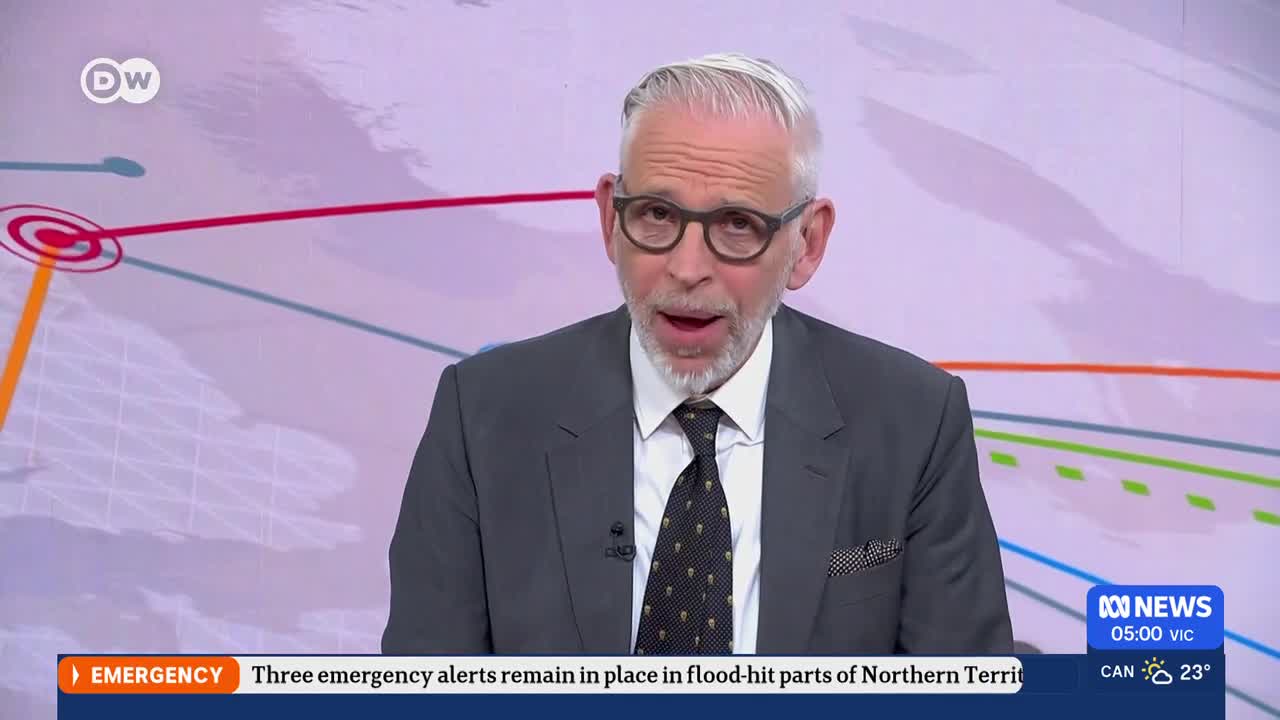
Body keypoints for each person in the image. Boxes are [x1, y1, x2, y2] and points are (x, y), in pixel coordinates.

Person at [382, 52, 1014, 655]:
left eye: (738, 224)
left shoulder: (913, 421)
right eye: (657, 214)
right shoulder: (485, 413)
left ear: (808, 243)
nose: (686, 269)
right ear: (609, 219)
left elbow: (963, 689)